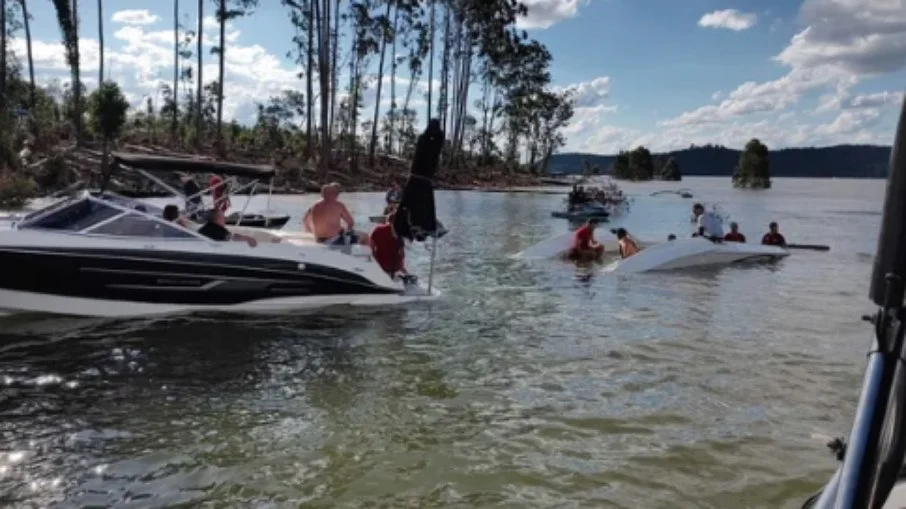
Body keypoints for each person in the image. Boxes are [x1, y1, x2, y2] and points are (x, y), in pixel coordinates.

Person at [302, 182, 369, 246]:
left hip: (319, 239)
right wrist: (346, 232)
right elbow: (350, 223)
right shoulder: (338, 205)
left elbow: (305, 219)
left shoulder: (314, 206)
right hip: (334, 240)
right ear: (334, 193)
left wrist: (308, 230)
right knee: (365, 237)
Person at [370, 209, 408, 278]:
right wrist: (401, 266)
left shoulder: (378, 229)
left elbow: (371, 248)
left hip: (381, 265)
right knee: (402, 267)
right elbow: (402, 254)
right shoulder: (399, 233)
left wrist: (376, 262)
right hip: (395, 267)